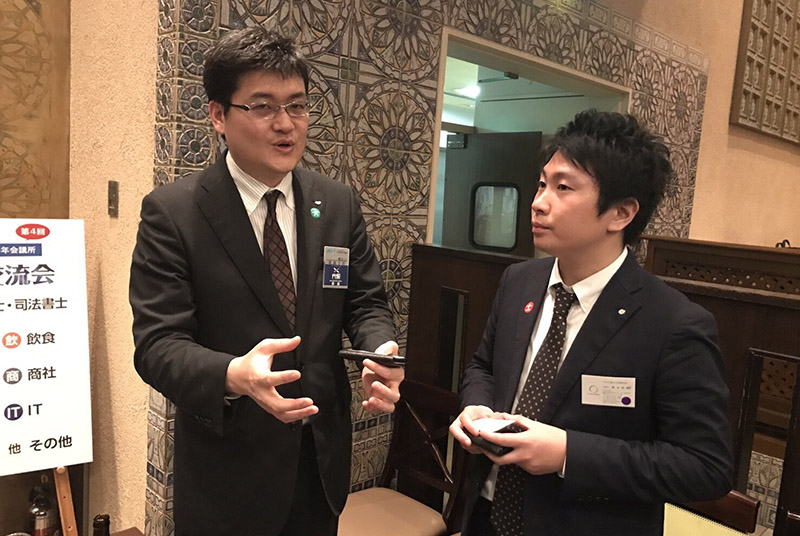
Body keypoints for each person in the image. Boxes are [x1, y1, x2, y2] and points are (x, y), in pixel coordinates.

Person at [129, 27, 403, 536]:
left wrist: (379, 350)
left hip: (318, 464)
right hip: (228, 473)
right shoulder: (174, 213)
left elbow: (365, 302)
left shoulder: (336, 203)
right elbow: (157, 345)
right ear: (218, 116)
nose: (285, 124)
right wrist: (235, 373)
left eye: (297, 106)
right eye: (262, 107)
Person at [449, 110, 733, 536]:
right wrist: (477, 408)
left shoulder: (674, 323)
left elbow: (705, 466)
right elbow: (484, 366)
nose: (538, 202)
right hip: (487, 516)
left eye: (563, 187)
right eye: (542, 184)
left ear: (621, 213)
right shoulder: (519, 281)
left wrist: (568, 454)